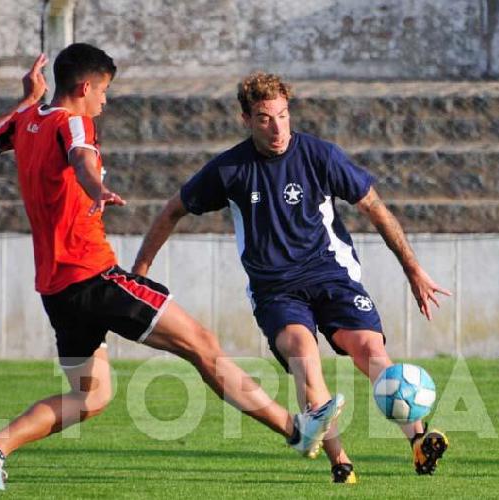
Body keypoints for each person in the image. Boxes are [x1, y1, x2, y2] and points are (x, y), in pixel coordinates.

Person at [0, 46, 344, 491]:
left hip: (56, 289)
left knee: (93, 394)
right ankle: (298, 432)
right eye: (103, 91)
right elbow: (83, 158)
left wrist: (28, 99)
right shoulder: (74, 121)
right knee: (202, 344)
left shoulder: (27, 121)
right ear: (85, 88)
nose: (105, 101)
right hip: (92, 276)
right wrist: (97, 188)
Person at [131, 72, 453, 484]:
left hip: (332, 275)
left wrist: (413, 269)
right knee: (303, 351)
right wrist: (140, 273)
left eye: (283, 115)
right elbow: (172, 210)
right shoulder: (230, 169)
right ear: (246, 118)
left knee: (370, 349)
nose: (278, 127)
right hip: (275, 291)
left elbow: (374, 207)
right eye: (265, 118)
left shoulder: (320, 156)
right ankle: (340, 462)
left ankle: (418, 442)